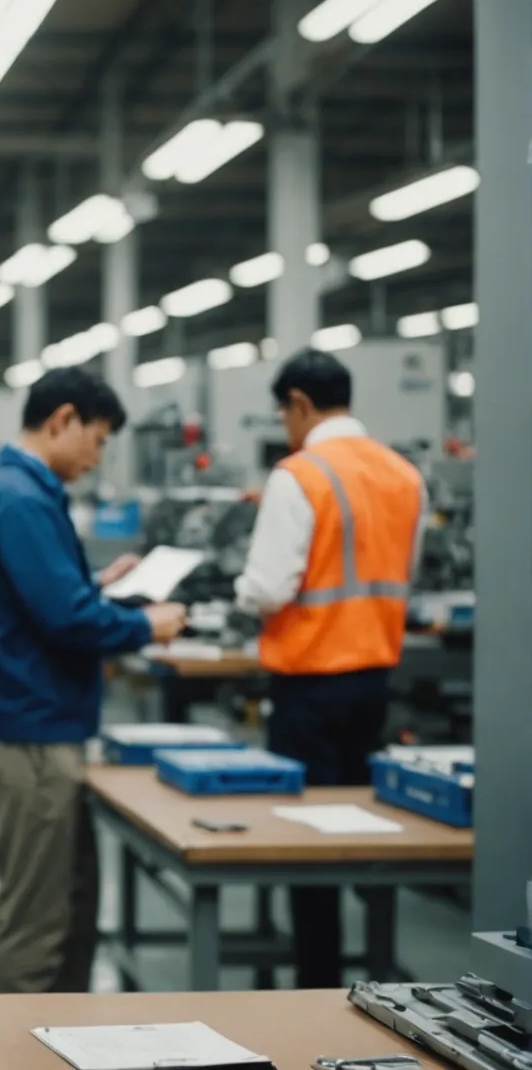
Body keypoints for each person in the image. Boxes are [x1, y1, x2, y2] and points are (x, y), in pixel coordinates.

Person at [0, 366, 187, 995]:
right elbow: (68, 621)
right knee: (35, 921)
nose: (98, 455)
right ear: (63, 420)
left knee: (68, 905)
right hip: (32, 736)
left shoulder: (24, 494)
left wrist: (100, 586)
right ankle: (3, 1054)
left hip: (38, 728)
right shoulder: (21, 500)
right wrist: (147, 625)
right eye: (99, 438)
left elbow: (48, 602)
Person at [234, 350, 425, 988]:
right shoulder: (406, 475)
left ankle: (316, 987)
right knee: (363, 834)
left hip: (310, 686)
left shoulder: (301, 474)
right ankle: (376, 978)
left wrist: (237, 593)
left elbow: (267, 587)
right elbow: (406, 572)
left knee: (307, 845)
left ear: (299, 404)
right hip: (375, 683)